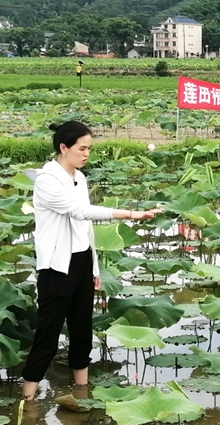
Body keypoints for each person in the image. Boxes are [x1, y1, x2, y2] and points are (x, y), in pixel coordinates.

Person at [21, 121, 163, 400]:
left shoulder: (80, 177)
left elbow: (85, 231)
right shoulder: (47, 180)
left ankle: (82, 391)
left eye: (89, 149)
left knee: (82, 329)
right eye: (81, 148)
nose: (86, 154)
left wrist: (94, 267)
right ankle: (27, 399)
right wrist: (131, 214)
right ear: (64, 148)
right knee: (48, 335)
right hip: (56, 266)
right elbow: (79, 211)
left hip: (82, 261)